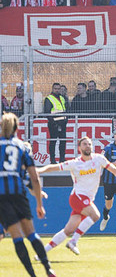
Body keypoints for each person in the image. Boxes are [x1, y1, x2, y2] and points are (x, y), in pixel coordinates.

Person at [37, 135, 116, 255]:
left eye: (89, 144)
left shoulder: (98, 159)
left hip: (87, 199)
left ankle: (42, 253)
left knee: (68, 230)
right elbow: (54, 167)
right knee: (95, 215)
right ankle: (73, 242)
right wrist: (39, 170)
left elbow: (115, 170)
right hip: (78, 197)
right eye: (84, 144)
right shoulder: (75, 163)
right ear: (79, 148)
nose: (88, 146)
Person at [0, 113, 55, 277]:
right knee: (31, 233)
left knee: (17, 237)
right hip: (18, 193)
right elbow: (35, 178)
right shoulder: (22, 147)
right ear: (17, 128)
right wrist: (39, 204)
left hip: (2, 196)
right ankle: (48, 268)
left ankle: (32, 274)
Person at [42, 85, 67, 165]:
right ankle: (52, 160)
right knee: (53, 141)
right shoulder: (49, 98)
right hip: (54, 124)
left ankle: (62, 159)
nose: (57, 90)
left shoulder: (62, 98)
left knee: (63, 141)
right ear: (52, 89)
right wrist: (53, 123)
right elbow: (47, 112)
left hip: (62, 123)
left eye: (58, 89)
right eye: (55, 89)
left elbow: (65, 110)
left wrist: (66, 119)